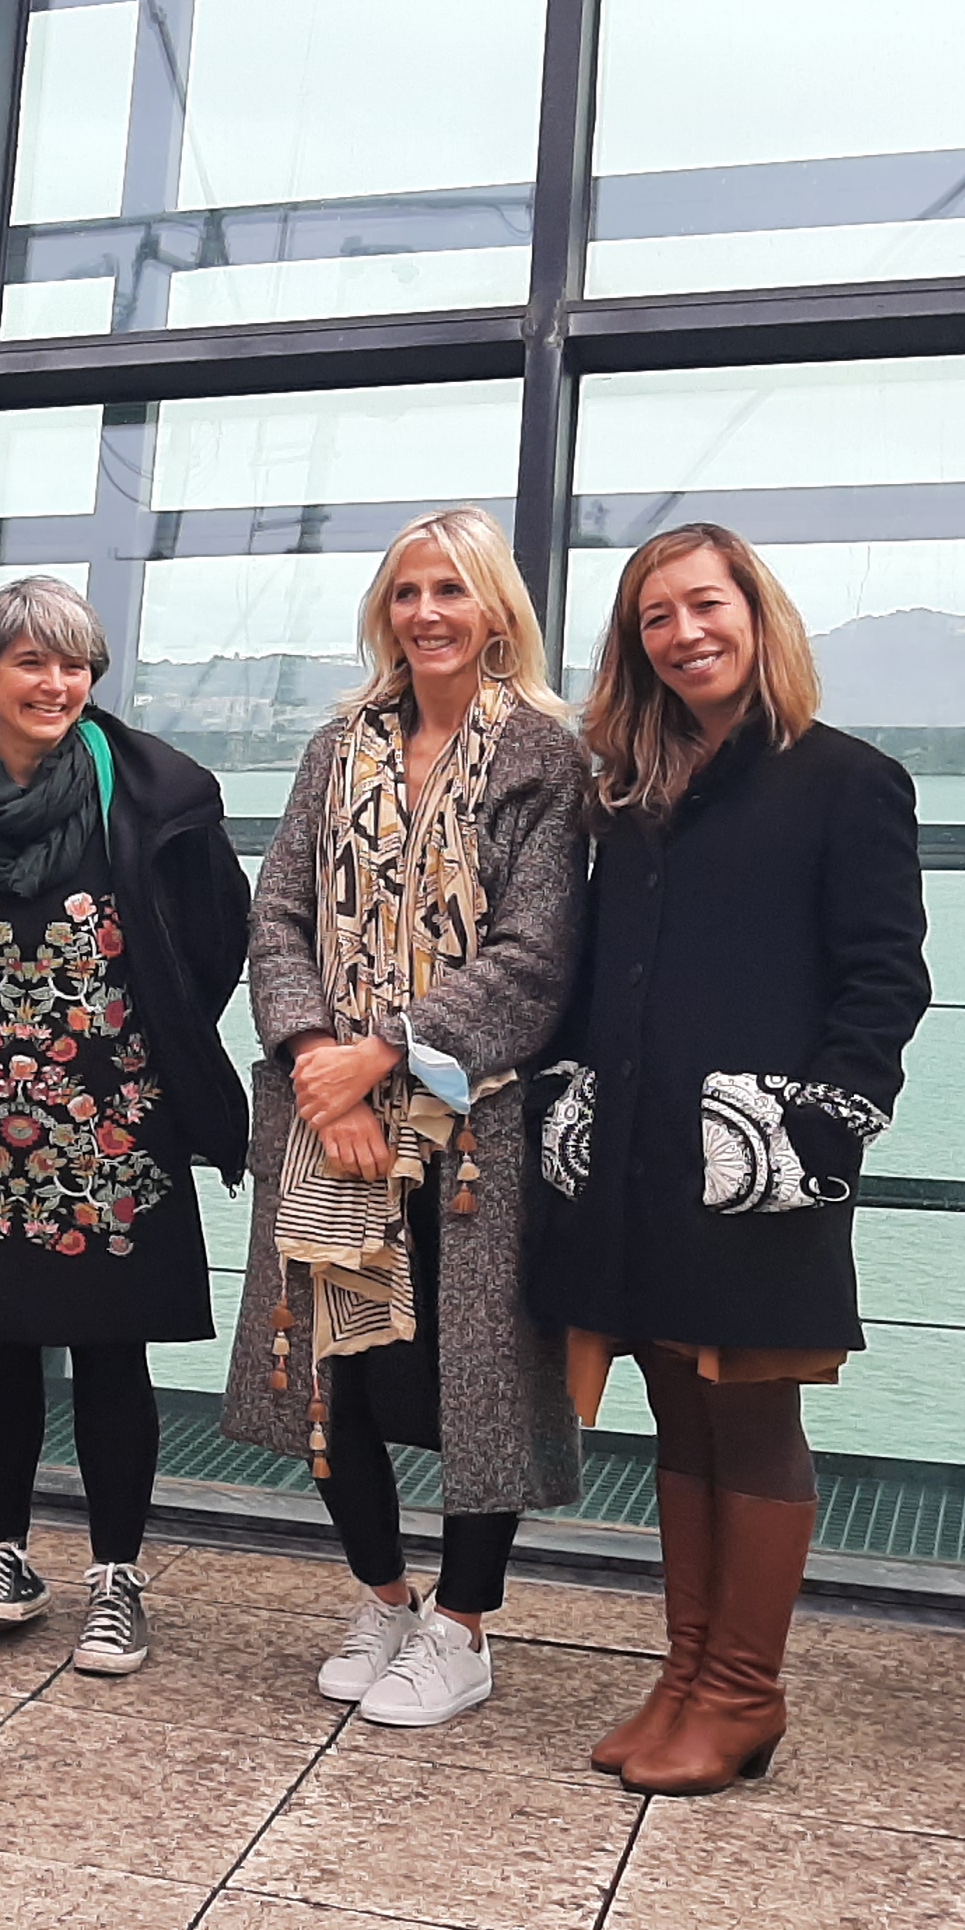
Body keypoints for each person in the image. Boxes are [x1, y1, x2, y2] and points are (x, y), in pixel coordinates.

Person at [531, 523, 928, 1796]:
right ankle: (685, 1675)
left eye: (705, 606)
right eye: (656, 618)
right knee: (677, 1409)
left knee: (753, 1413)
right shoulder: (629, 788)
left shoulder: (846, 779)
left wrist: (820, 1132)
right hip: (638, 1160)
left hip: (759, 1160)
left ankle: (745, 1693)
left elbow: (885, 982)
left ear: (758, 613)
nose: (685, 634)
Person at [221, 509, 588, 1729]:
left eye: (452, 591)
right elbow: (275, 915)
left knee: (479, 1378)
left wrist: (388, 1056)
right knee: (338, 1367)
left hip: (467, 1122)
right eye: (407, 592)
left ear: (496, 612)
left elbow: (539, 957)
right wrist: (320, 1058)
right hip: (326, 1110)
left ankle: (465, 1628)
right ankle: (385, 1595)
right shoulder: (339, 747)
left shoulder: (543, 759)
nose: (427, 613)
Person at [0, 576, 248, 1676]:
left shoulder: (153, 792)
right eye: (30, 661)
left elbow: (219, 936)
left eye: (73, 664)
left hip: (113, 1122)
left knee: (111, 1349)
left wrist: (142, 1037)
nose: (55, 683)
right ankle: (5, 1555)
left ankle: (116, 1577)